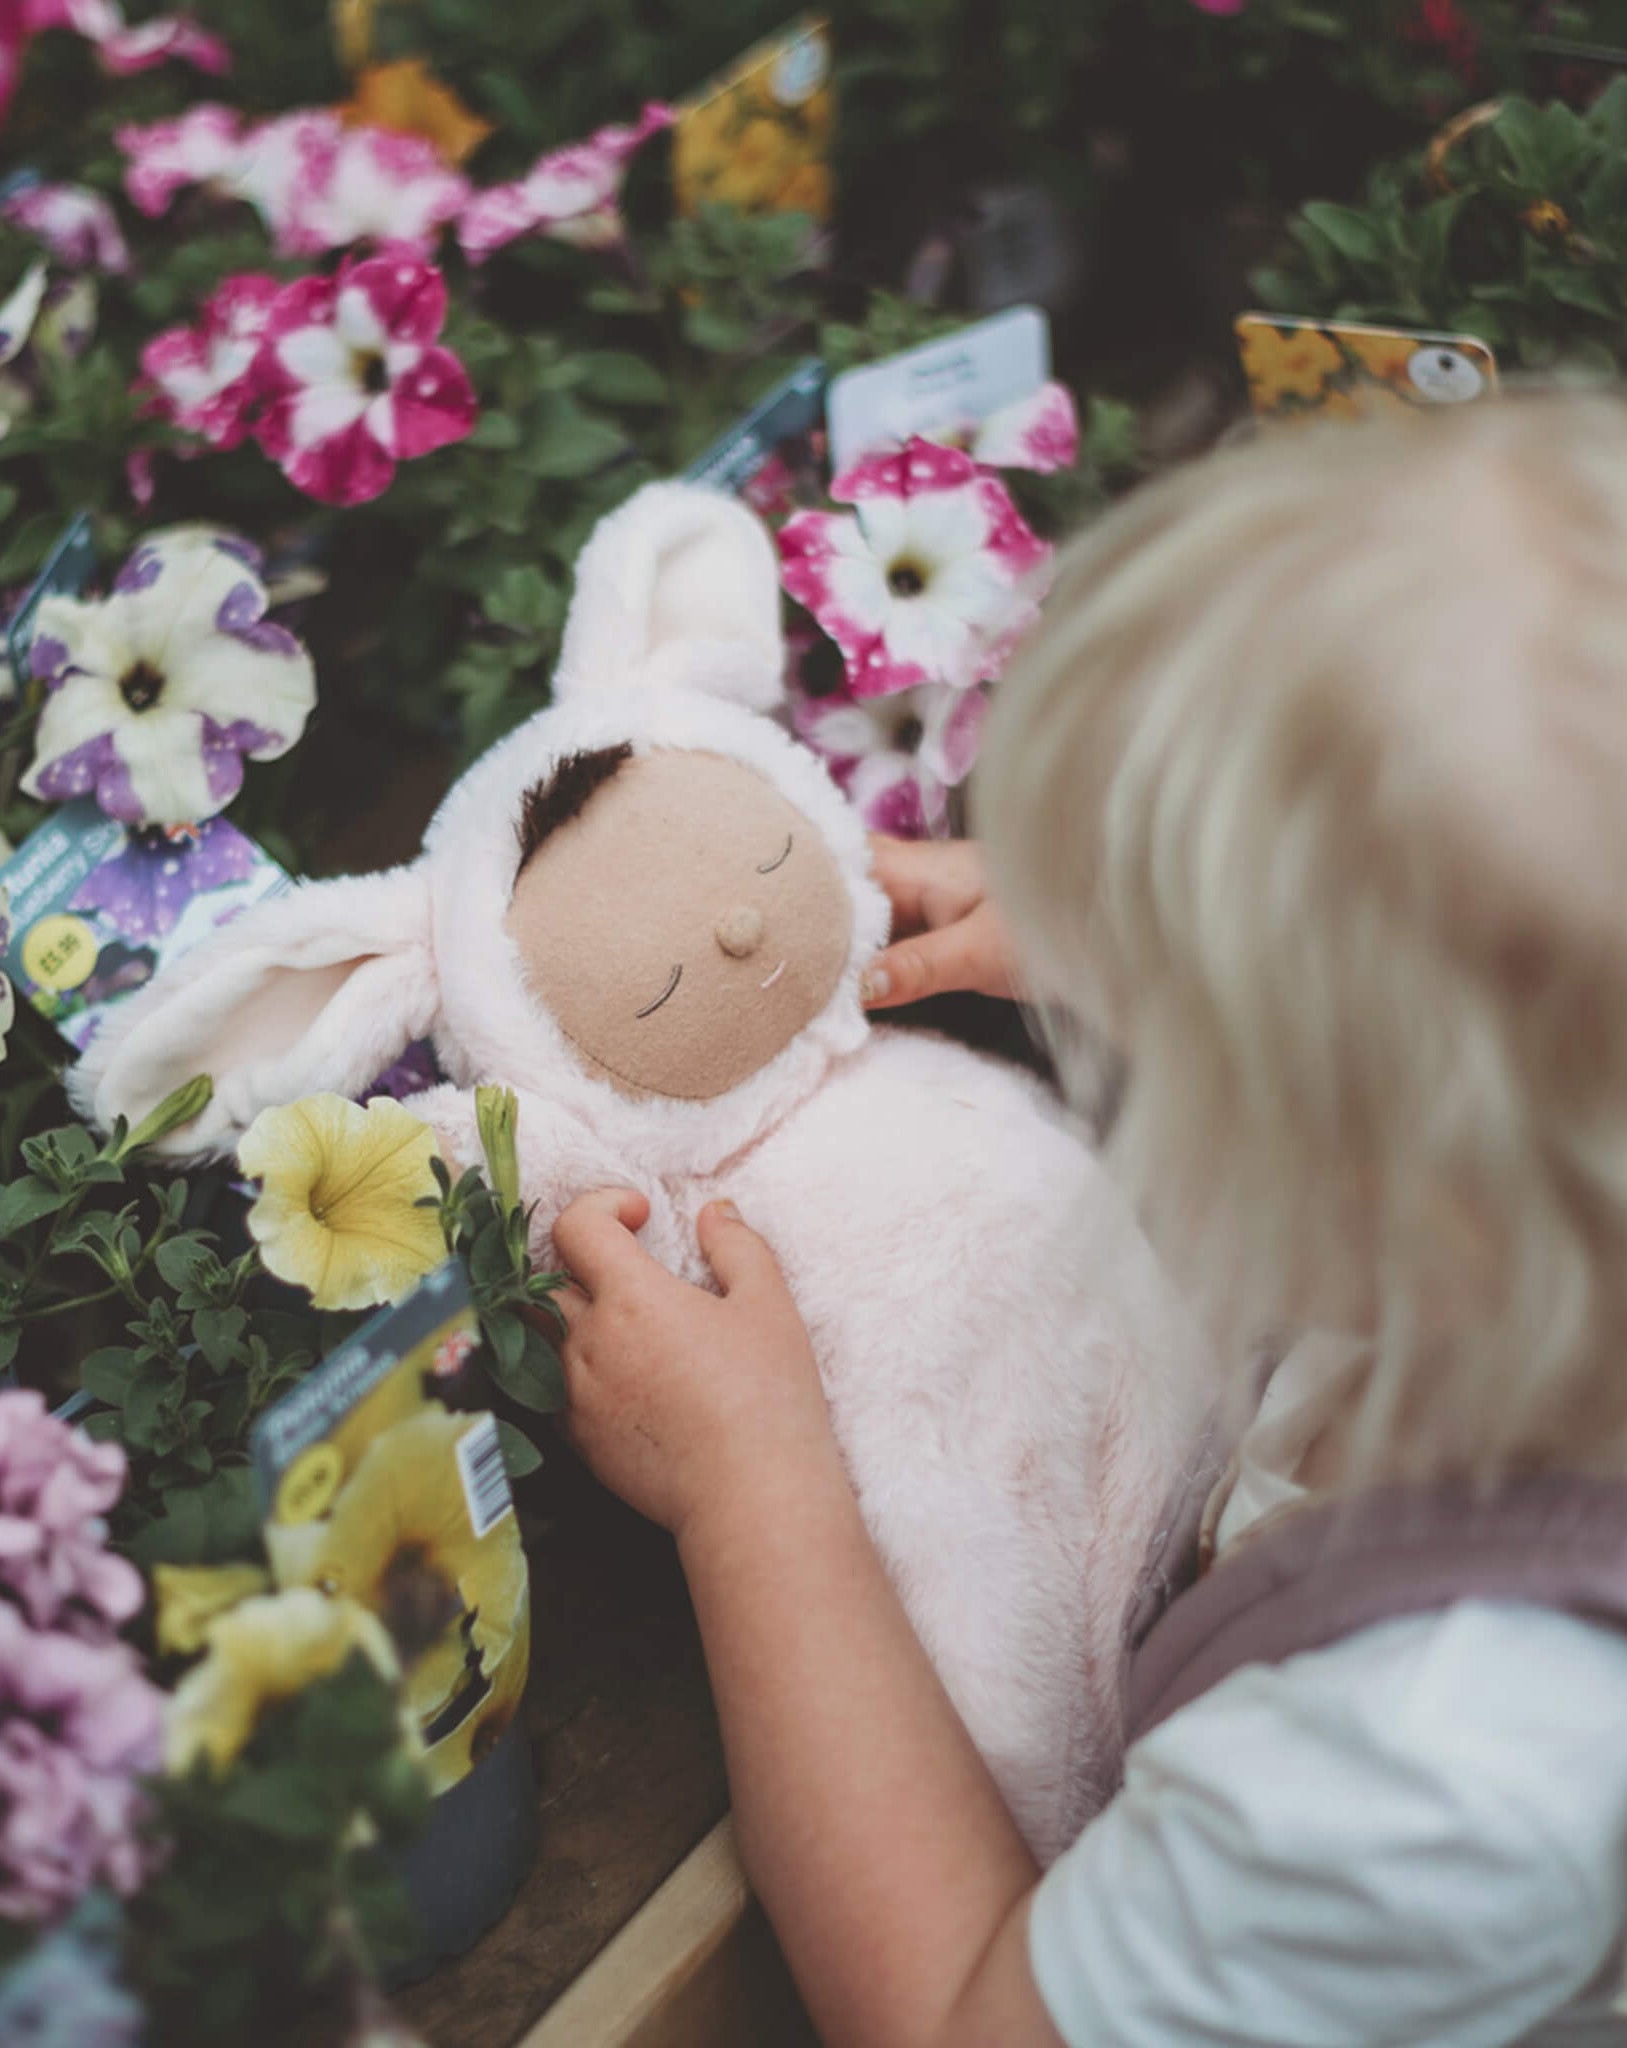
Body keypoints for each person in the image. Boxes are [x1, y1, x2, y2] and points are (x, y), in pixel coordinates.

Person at [551, 393, 1627, 2047]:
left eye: (1181, 1017)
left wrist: (755, 1491)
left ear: (1382, 1186)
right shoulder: (1544, 1235)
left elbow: (955, 2016)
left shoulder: (1435, 1769)